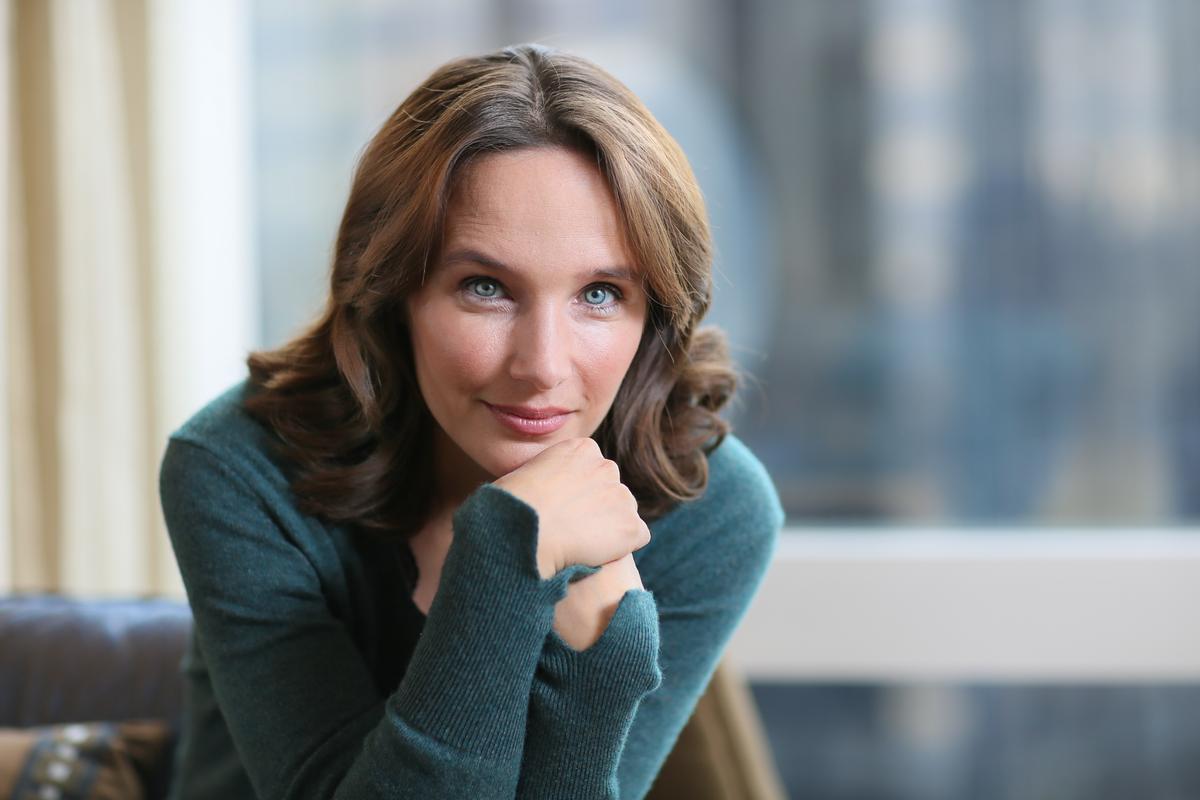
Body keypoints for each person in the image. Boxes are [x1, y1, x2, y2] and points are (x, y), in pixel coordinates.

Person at [159, 42, 784, 800]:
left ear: (653, 315)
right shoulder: (238, 470)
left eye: (598, 295)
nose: (542, 366)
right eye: (485, 287)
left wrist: (596, 668)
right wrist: (503, 557)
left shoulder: (711, 506)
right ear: (394, 294)